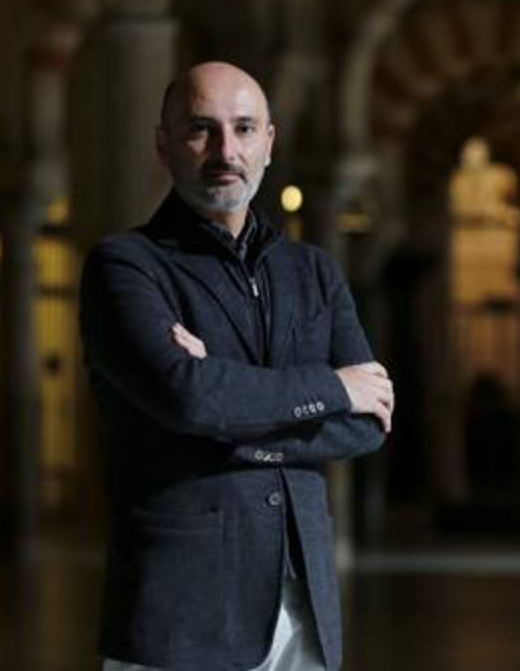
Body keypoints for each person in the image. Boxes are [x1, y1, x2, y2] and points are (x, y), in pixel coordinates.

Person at [79, 61, 394, 671]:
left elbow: (368, 423)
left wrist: (219, 418)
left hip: (302, 607)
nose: (227, 150)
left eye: (244, 128)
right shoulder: (126, 267)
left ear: (269, 143)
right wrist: (333, 387)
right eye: (202, 129)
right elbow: (188, 399)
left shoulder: (314, 273)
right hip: (182, 613)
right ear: (163, 144)